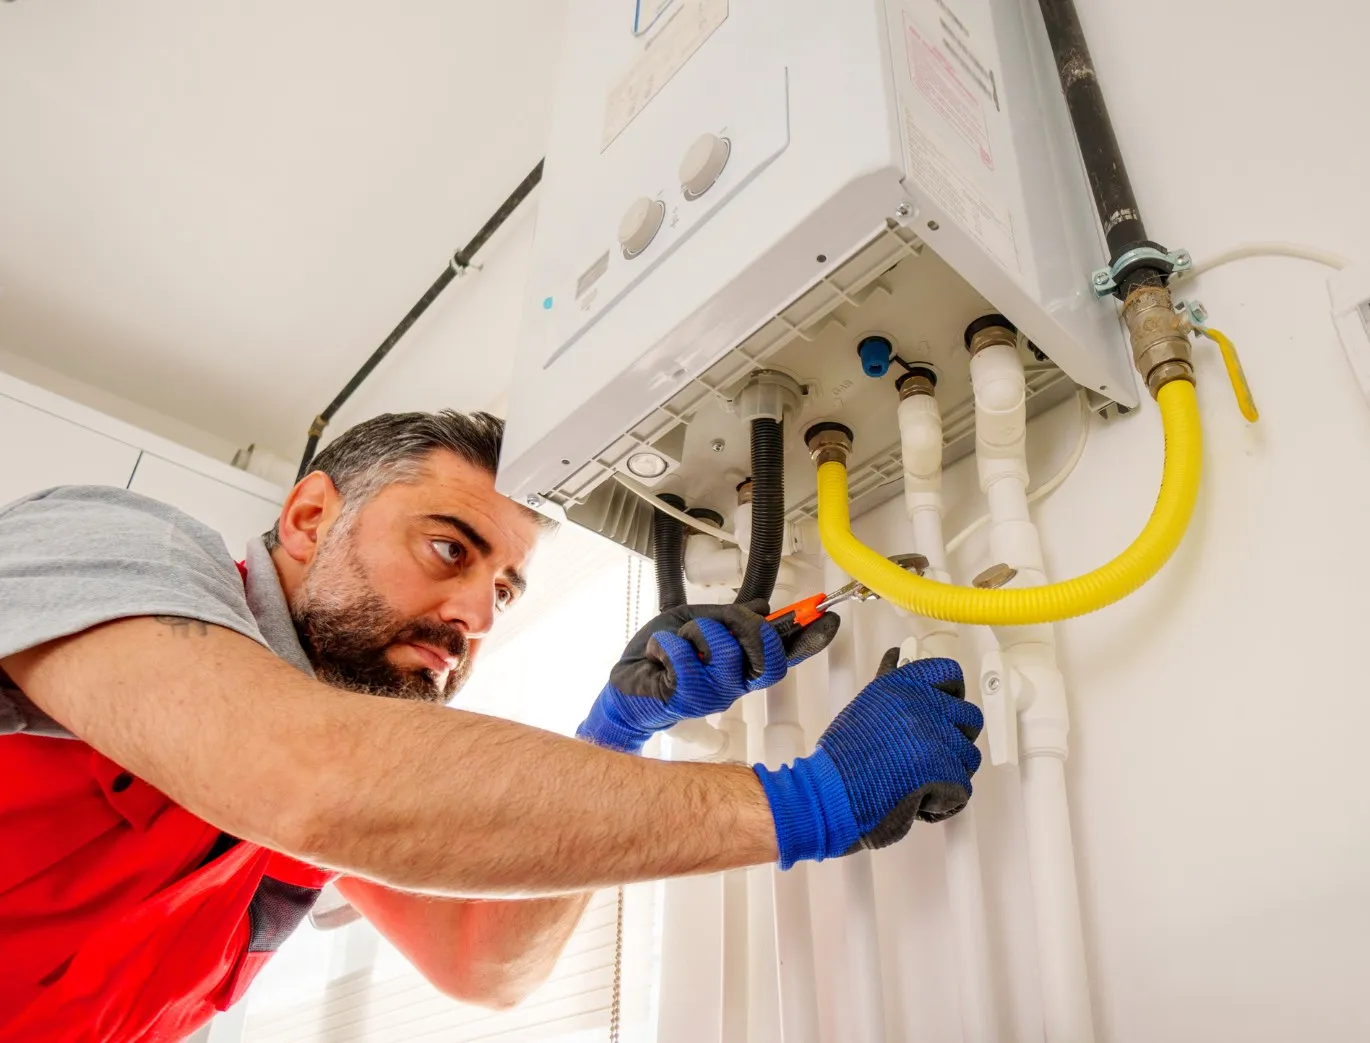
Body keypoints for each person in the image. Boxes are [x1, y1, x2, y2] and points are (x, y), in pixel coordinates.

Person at [0, 409, 984, 1041]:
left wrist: (617, 726)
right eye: (447, 546)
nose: (475, 615)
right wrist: (811, 800)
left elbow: (485, 960)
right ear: (307, 518)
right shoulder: (120, 544)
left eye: (502, 589)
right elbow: (313, 771)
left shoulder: (304, 794)